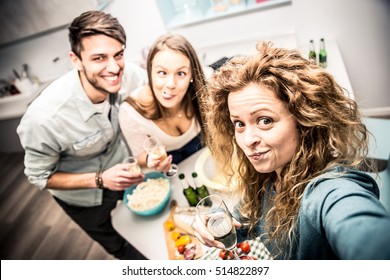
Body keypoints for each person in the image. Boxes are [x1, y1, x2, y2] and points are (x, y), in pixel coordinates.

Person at [194, 41, 390, 259]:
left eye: (265, 120)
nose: (247, 140)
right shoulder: (269, 178)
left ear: (303, 120)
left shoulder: (328, 191)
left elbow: (362, 229)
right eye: (239, 123)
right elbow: (247, 218)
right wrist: (216, 222)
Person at [17, 10, 148, 260]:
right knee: (126, 249)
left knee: (148, 229)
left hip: (125, 171)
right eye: (99, 58)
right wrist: (100, 179)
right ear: (76, 60)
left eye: (118, 54)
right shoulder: (43, 119)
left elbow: (153, 92)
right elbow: (39, 176)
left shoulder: (127, 73)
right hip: (83, 197)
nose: (114, 68)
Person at [118, 33, 207, 172]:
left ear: (192, 75)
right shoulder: (129, 111)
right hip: (169, 166)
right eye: (162, 73)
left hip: (203, 153)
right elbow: (140, 156)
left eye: (181, 73)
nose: (171, 84)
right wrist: (151, 160)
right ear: (150, 72)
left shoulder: (202, 91)